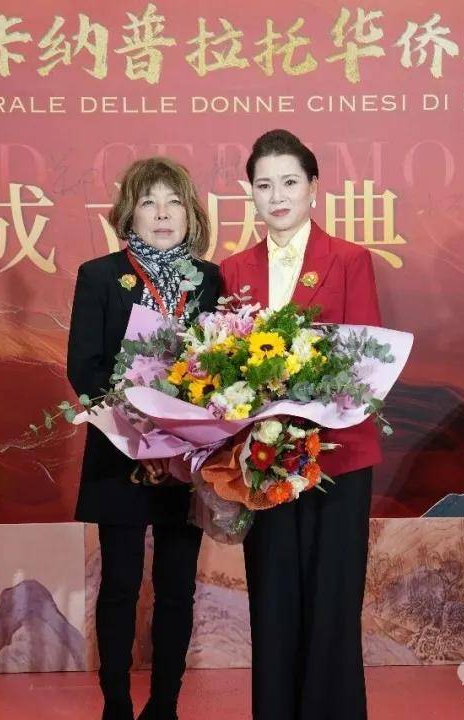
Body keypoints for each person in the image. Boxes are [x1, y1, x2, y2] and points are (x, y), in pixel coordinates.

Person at [219, 130, 383, 719]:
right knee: (273, 593)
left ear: (314, 187)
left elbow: (364, 360)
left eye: (289, 182)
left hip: (339, 454)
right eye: (264, 185)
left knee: (333, 596)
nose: (278, 196)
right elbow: (223, 364)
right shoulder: (232, 269)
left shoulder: (350, 259)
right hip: (263, 461)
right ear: (251, 194)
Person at [67, 157, 223, 720]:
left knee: (178, 587)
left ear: (191, 213)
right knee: (120, 583)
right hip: (121, 453)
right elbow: (84, 368)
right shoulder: (100, 276)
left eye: (174, 202)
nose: (162, 213)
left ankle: (164, 705)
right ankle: (115, 704)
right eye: (149, 201)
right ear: (128, 213)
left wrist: (182, 433)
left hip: (189, 457)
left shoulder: (210, 280)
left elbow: (223, 366)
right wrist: (136, 429)